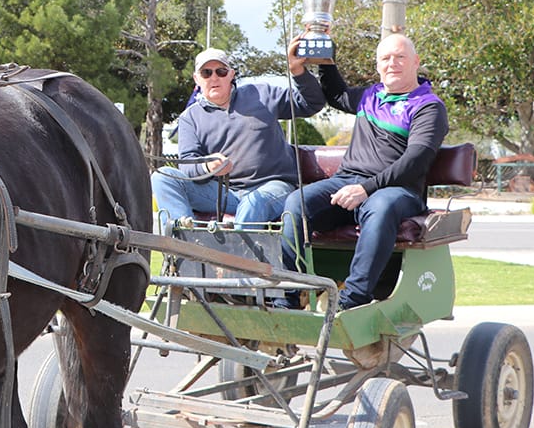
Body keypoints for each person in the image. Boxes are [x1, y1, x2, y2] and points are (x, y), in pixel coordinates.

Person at [275, 33, 448, 310]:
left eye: (400, 57)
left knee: (380, 207)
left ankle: (351, 302)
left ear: (415, 62)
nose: (393, 63)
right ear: (378, 65)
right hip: (347, 183)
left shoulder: (428, 106)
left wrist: (366, 188)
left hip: (398, 191)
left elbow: (416, 160)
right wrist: (321, 61)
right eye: (386, 58)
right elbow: (337, 95)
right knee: (296, 204)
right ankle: (288, 297)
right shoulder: (370, 96)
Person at [152, 40, 326, 228]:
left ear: (231, 75)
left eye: (221, 71)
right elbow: (188, 165)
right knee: (162, 176)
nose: (214, 77)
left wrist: (297, 70)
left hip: (274, 187)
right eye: (206, 73)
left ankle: (234, 256)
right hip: (225, 193)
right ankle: (183, 250)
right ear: (196, 78)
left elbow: (311, 103)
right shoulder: (190, 117)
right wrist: (209, 167)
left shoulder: (262, 94)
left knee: (253, 202)